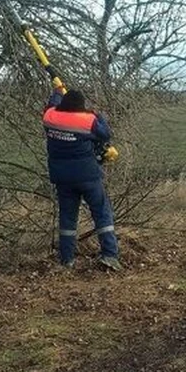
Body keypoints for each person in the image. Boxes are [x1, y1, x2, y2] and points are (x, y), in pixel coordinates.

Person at [43, 88, 120, 271]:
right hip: (88, 176)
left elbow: (52, 104)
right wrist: (97, 114)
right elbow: (105, 134)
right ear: (80, 107)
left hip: (63, 178)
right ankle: (110, 255)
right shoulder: (87, 120)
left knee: (67, 219)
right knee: (101, 213)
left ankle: (67, 260)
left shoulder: (49, 118)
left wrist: (57, 91)